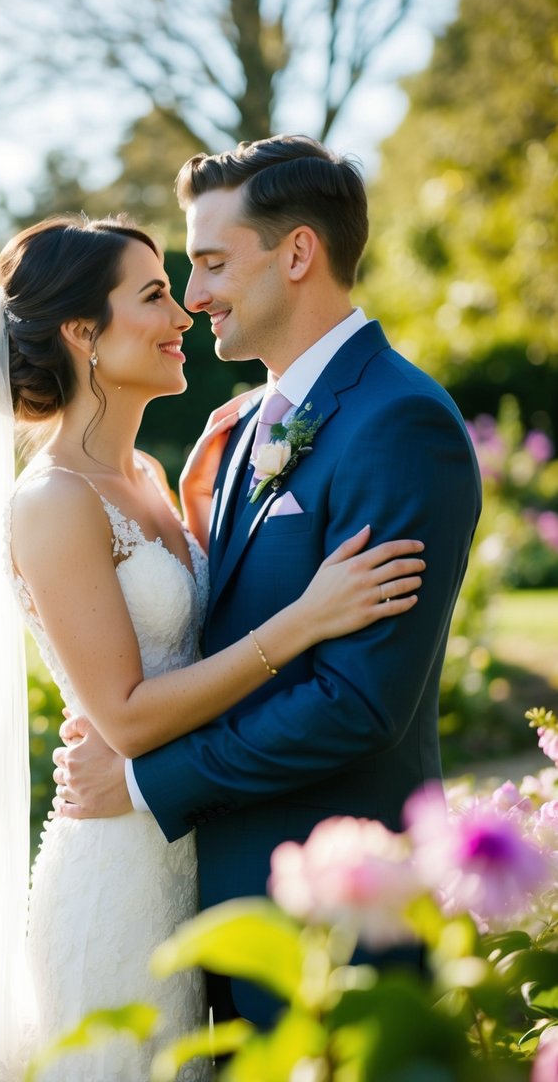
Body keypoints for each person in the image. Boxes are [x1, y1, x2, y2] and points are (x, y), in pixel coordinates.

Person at [0, 212, 425, 1081]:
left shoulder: (150, 475)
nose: (184, 312)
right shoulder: (52, 503)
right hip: (118, 872)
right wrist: (304, 620)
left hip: (199, 841)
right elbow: (127, 715)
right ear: (82, 333)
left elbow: (182, 630)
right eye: (153, 294)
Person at [52, 136, 483, 1029]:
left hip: (336, 923)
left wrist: (140, 782)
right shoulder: (247, 422)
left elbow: (356, 704)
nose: (194, 295)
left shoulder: (399, 423)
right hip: (206, 907)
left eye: (210, 263)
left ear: (296, 253)